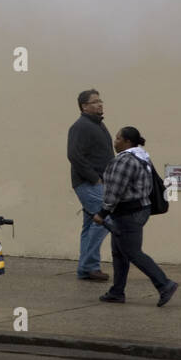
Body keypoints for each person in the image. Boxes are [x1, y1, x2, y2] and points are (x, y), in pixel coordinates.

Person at [92, 127, 178, 307]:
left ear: (127, 142)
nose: (115, 142)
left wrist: (102, 213)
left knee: (132, 252)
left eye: (118, 138)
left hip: (128, 213)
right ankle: (116, 292)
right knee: (119, 252)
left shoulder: (126, 161)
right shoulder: (142, 156)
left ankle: (164, 284)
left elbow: (115, 191)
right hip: (138, 210)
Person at [68, 88, 114, 281]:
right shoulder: (81, 126)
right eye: (95, 102)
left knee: (90, 225)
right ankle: (89, 265)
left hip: (97, 183)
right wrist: (95, 178)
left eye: (100, 100)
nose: (100, 104)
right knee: (105, 219)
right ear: (84, 106)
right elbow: (74, 155)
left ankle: (86, 268)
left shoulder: (97, 125)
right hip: (88, 183)